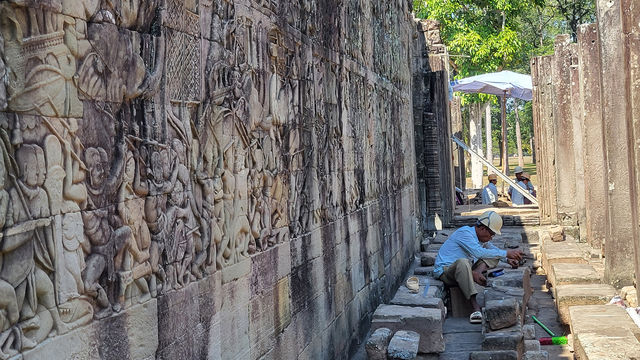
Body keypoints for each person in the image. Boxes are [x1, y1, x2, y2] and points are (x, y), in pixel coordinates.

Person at [433, 211, 524, 323]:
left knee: (494, 254)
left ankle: (476, 272)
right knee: (463, 262)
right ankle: (475, 307)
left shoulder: (480, 239)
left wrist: (507, 259)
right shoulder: (465, 233)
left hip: (466, 267)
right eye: (491, 234)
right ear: (482, 229)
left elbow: (493, 251)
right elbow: (479, 253)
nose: (491, 238)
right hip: (446, 271)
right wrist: (506, 253)